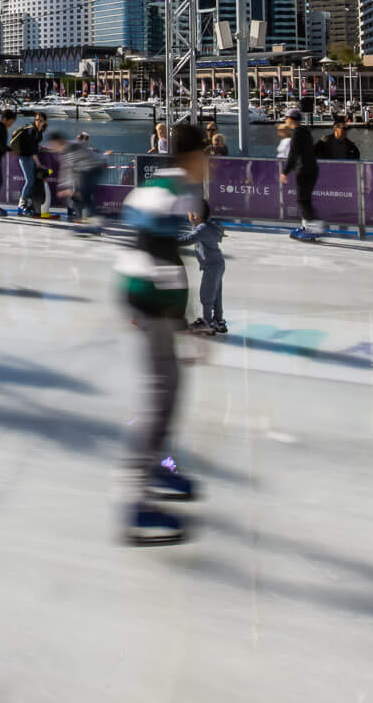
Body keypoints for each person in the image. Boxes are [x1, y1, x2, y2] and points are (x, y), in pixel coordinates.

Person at [119, 123, 208, 545]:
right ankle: (138, 504)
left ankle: (155, 467)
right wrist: (182, 323)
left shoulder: (159, 182)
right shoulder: (175, 191)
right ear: (193, 156)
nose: (208, 164)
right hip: (152, 297)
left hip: (142, 293)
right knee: (163, 395)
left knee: (165, 391)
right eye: (206, 155)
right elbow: (164, 256)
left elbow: (134, 223)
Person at [183, 196, 227, 336]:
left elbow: (188, 239)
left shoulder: (201, 229)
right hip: (216, 263)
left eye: (189, 213)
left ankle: (207, 322)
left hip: (212, 266)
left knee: (207, 294)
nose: (188, 216)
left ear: (195, 215)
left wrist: (170, 241)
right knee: (216, 293)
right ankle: (218, 321)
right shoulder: (204, 227)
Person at [279, 112, 320, 241]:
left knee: (302, 200)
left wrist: (285, 171)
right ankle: (307, 226)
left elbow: (293, 153)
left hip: (303, 170)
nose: (285, 120)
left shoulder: (297, 133)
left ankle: (314, 227)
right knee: (305, 199)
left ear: (290, 119)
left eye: (286, 118)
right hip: (312, 169)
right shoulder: (305, 131)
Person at [63, 131, 107, 228]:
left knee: (83, 198)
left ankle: (86, 218)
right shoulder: (80, 150)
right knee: (78, 198)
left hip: (82, 178)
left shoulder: (87, 150)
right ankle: (81, 217)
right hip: (78, 178)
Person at [11, 111, 49, 217]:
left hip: (30, 157)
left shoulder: (39, 131)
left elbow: (34, 145)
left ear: (44, 122)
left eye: (40, 120)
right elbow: (32, 149)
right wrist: (38, 163)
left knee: (32, 181)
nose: (38, 122)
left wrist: (41, 148)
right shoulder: (32, 130)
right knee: (29, 181)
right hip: (25, 157)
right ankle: (21, 204)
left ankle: (28, 204)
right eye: (36, 119)